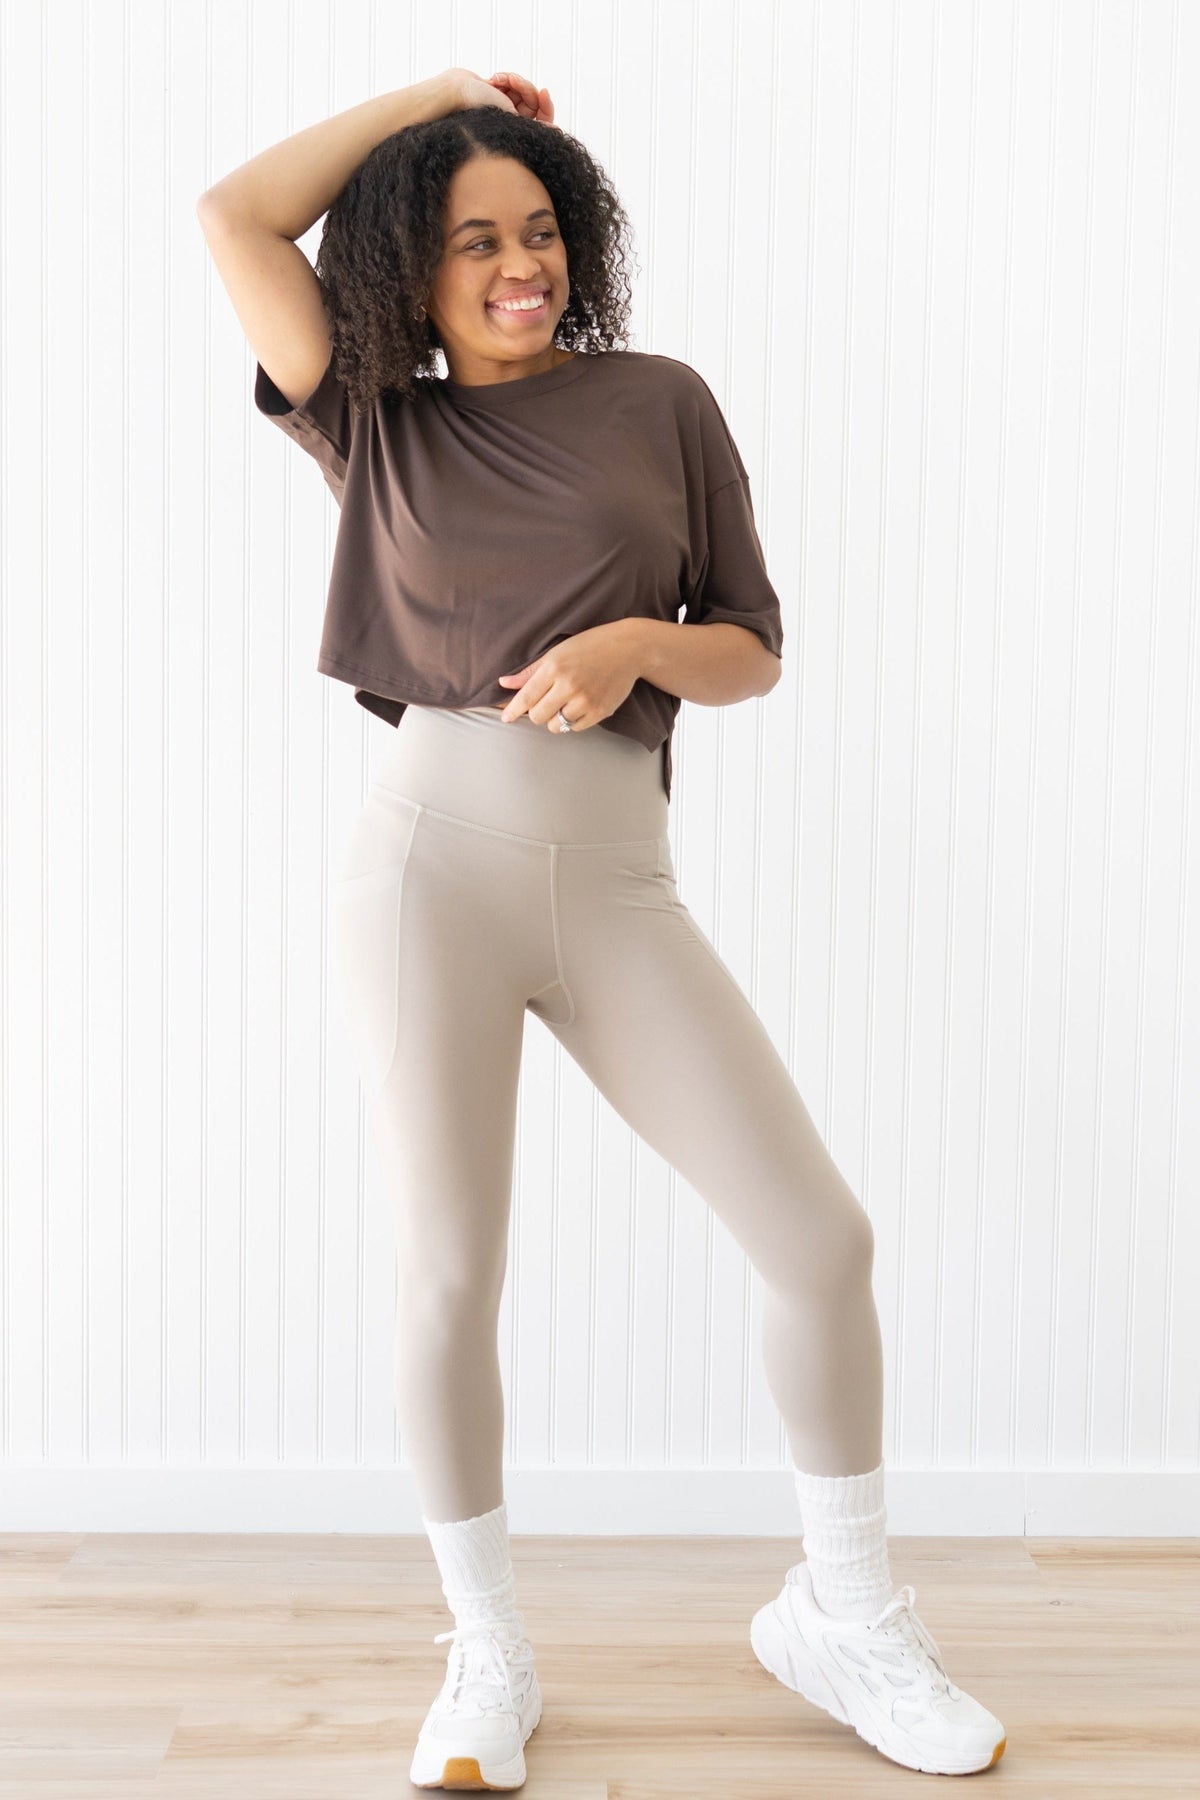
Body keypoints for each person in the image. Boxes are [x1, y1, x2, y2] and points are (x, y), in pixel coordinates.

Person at [196, 65, 1006, 1790]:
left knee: (821, 1239)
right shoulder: (370, 417)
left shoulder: (661, 402)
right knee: (448, 1278)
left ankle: (845, 1612)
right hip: (430, 873)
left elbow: (754, 644)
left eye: (543, 230)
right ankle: (486, 1655)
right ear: (409, 265)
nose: (519, 265)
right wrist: (433, 99)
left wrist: (635, 646)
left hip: (618, 882)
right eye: (474, 237)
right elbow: (233, 217)